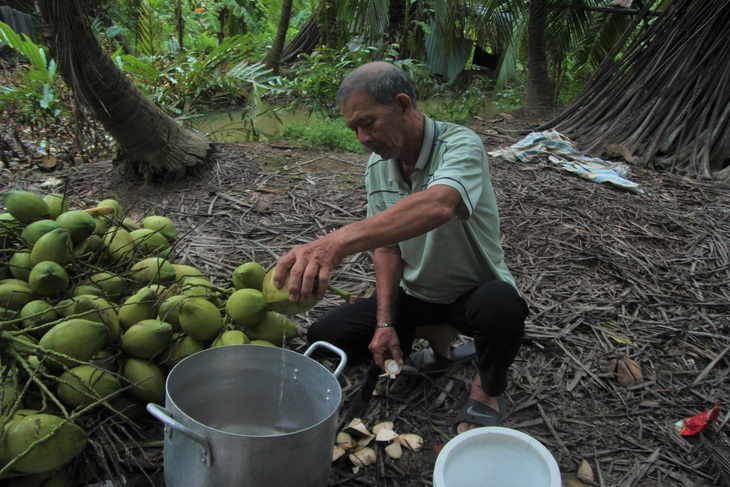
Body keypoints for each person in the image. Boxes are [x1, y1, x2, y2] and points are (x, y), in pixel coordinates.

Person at [273, 61, 528, 434]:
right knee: (325, 337)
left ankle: (488, 391)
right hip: (416, 294)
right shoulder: (378, 168)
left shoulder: (460, 144)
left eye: (367, 122)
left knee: (501, 307)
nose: (362, 138)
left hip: (471, 293)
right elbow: (387, 248)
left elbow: (438, 204)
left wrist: (338, 241)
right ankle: (431, 331)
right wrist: (385, 323)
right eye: (353, 128)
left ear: (403, 105)